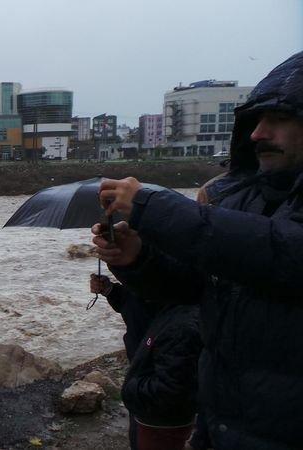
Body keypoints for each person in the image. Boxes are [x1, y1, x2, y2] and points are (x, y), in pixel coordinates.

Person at [92, 51, 303, 449]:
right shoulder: (245, 198)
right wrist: (138, 258)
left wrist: (152, 206)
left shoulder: (249, 214)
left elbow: (280, 252)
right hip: (221, 426)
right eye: (255, 121)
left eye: (278, 118)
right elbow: (196, 289)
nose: (258, 133)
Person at [91, 275, 202, 450]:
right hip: (144, 382)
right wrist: (111, 291)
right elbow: (133, 305)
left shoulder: (180, 320)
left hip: (157, 408)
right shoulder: (149, 285)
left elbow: (172, 389)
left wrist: (133, 389)